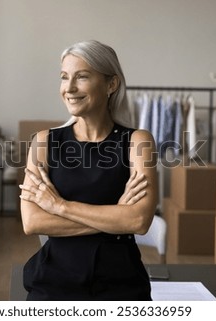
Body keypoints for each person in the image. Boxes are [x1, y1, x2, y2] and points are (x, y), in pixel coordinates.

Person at [19, 40, 158, 301]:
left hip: (121, 283)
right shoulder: (43, 142)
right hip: (53, 283)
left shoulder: (138, 141)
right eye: (64, 77)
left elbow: (139, 221)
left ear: (111, 84)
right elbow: (32, 222)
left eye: (81, 77)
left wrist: (59, 206)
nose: (69, 88)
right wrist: (116, 217)